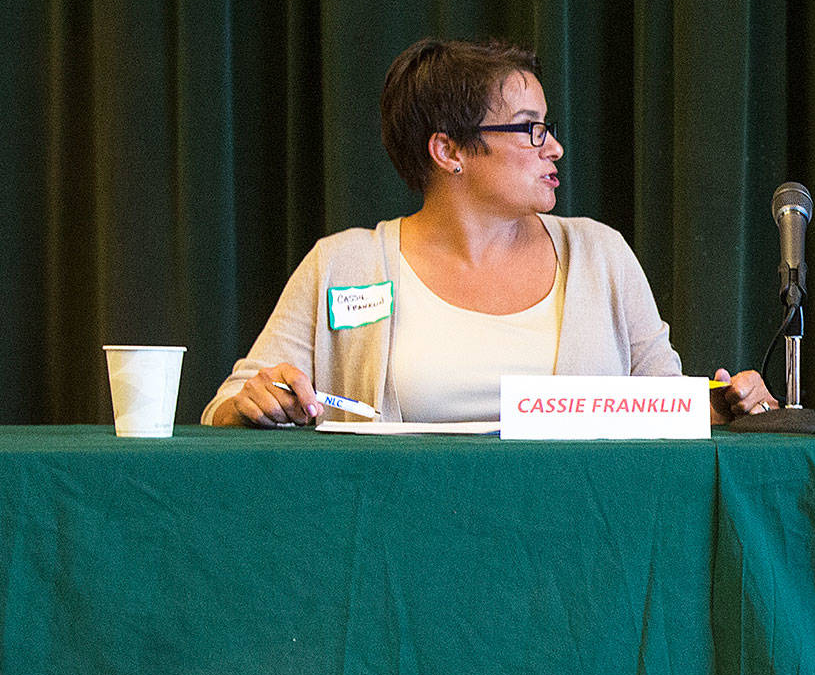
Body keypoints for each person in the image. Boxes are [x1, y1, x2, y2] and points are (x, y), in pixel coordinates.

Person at [204, 38, 777, 426]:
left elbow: (669, 408)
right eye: (530, 130)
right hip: (399, 568)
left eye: (548, 128)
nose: (554, 147)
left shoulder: (601, 254)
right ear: (448, 149)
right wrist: (252, 403)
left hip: (576, 565)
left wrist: (727, 404)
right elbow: (229, 405)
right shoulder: (343, 266)